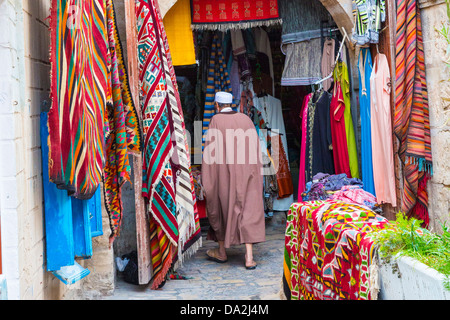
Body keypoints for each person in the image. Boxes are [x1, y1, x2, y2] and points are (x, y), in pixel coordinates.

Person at [202, 91, 265, 270]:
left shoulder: (216, 120)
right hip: (247, 172)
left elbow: (211, 153)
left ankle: (222, 252)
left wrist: (208, 176)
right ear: (233, 104)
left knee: (220, 206)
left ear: (216, 105)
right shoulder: (246, 119)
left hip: (225, 174)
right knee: (249, 207)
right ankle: (249, 258)